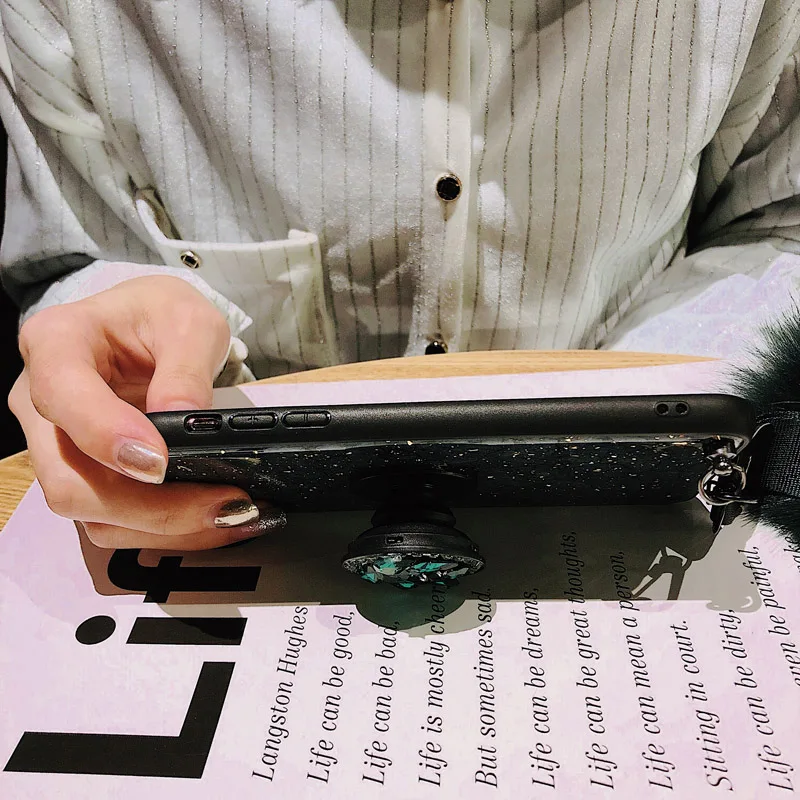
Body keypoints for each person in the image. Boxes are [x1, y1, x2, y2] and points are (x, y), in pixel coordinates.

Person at [1, 0, 799, 550]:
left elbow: (777, 221)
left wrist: (660, 418)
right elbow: (78, 258)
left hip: (655, 512)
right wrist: (96, 330)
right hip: (242, 524)